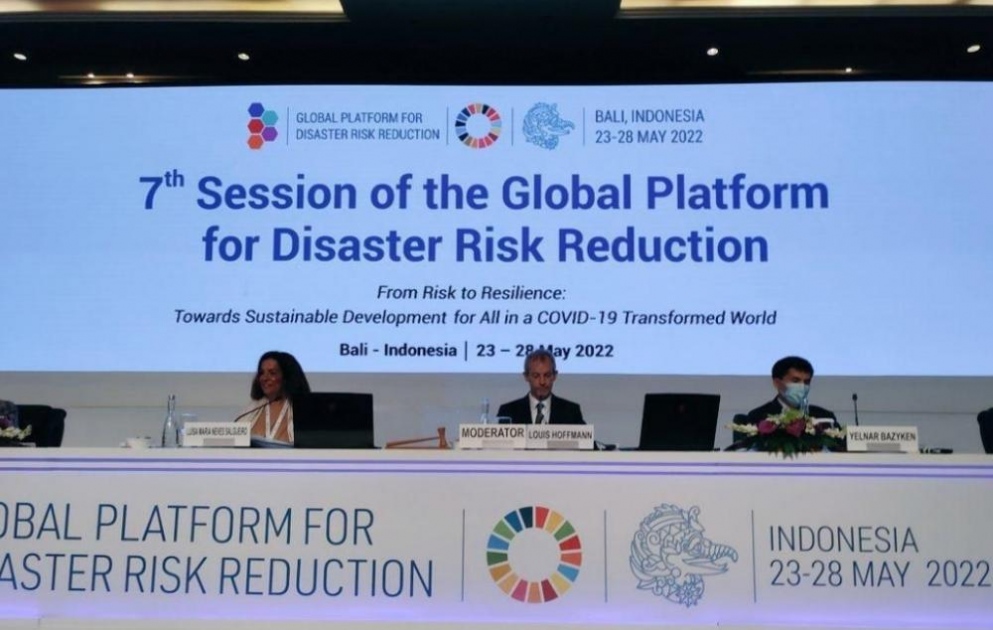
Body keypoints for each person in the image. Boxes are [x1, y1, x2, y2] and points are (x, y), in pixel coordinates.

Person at [236, 351, 311, 447]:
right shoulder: (252, 409)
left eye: (272, 373)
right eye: (262, 373)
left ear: (286, 377)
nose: (265, 378)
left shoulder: (304, 409)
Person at [497, 349, 585, 425]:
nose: (542, 382)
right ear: (526, 376)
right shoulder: (508, 412)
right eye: (536, 376)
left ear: (554, 376)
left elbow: (586, 439)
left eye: (547, 375)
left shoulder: (571, 412)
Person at [744, 355, 836, 426]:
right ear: (777, 383)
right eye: (795, 381)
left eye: (806, 382)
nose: (802, 386)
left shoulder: (825, 416)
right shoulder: (758, 416)